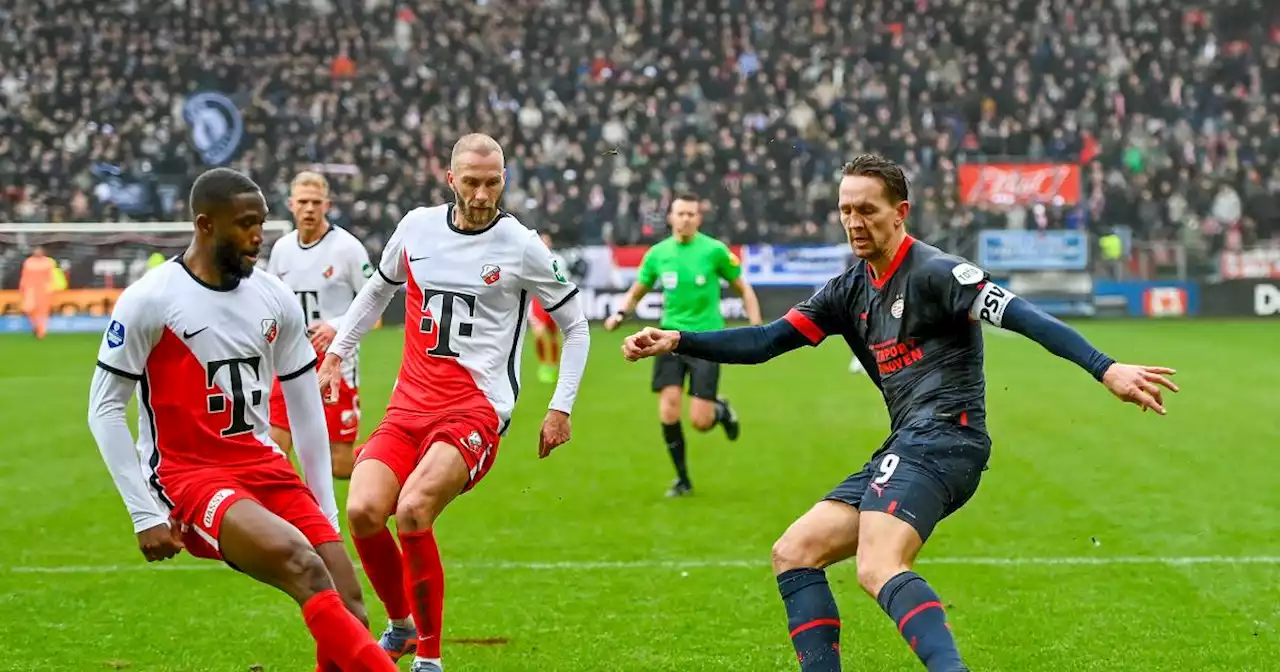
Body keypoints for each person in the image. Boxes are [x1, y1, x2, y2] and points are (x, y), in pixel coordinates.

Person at [621, 154, 1178, 671]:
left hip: (946, 440)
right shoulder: (847, 290)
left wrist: (1106, 368)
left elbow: (1024, 315)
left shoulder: (937, 273)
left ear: (900, 212)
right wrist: (676, 339)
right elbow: (767, 340)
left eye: (867, 209)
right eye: (846, 210)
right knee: (795, 552)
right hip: (905, 444)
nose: (854, 221)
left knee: (876, 564)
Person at [85, 167, 397, 672]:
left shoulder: (274, 298)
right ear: (206, 225)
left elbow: (303, 406)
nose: (258, 236)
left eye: (262, 223)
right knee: (303, 567)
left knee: (350, 603)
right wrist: (144, 513)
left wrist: (324, 511)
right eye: (245, 225)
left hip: (262, 462)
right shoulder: (149, 300)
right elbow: (103, 408)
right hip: (189, 477)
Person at [320, 133, 591, 672]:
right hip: (408, 407)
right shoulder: (417, 228)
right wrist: (337, 353)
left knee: (414, 511)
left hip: (476, 410)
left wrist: (560, 407)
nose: (483, 194)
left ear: (504, 182)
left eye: (493, 183)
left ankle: (430, 658)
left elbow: (576, 325)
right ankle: (399, 626)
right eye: (472, 182)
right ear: (450, 179)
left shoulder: (521, 245)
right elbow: (378, 289)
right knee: (363, 511)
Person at [603, 193, 762, 497]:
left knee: (700, 422)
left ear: (698, 218)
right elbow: (638, 289)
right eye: (681, 213)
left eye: (691, 214)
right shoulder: (658, 254)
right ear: (671, 217)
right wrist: (621, 313)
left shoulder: (715, 250)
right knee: (668, 411)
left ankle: (721, 411)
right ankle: (682, 479)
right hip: (667, 340)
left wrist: (757, 328)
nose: (686, 218)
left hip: (706, 342)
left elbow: (744, 289)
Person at [266, 171, 373, 478]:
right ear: (291, 205)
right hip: (289, 362)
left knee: (340, 464)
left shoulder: (348, 248)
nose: (309, 209)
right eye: (303, 202)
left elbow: (374, 300)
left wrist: (337, 325)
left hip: (334, 364)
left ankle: (390, 461)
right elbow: (273, 301)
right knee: (275, 449)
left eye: (316, 202)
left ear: (328, 205)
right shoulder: (282, 249)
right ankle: (292, 516)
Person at [529, 231, 566, 384]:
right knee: (538, 334)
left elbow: (563, 281)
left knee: (553, 336)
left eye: (546, 241)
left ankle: (553, 365)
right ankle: (544, 364)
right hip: (538, 301)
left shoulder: (559, 260)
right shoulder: (530, 260)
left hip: (554, 301)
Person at [19, 246, 56, 339]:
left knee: (43, 311)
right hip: (30, 289)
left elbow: (51, 276)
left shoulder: (48, 262)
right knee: (28, 309)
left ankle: (41, 332)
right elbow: (24, 275)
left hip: (43, 290)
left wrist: (51, 287)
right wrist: (22, 287)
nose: (37, 252)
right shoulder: (29, 262)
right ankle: (36, 326)